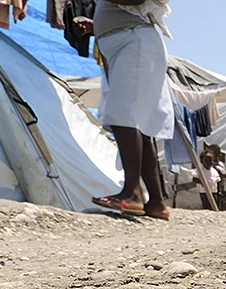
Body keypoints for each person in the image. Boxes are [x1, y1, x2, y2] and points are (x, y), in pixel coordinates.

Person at [79, 0, 174, 220]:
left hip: (135, 44)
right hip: (129, 44)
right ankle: (156, 202)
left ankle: (132, 193)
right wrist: (96, 25)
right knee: (138, 125)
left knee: (122, 115)